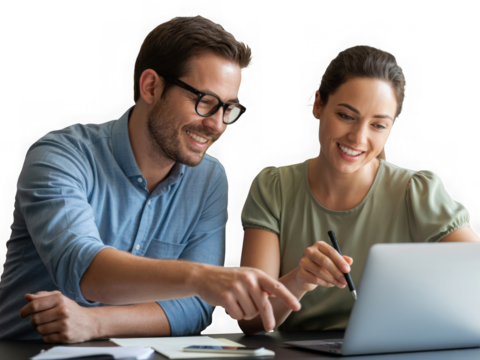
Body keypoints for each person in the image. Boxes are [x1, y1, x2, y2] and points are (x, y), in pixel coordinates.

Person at [0, 15, 300, 343]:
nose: (217, 125)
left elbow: (195, 308)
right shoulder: (60, 154)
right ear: (151, 87)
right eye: (205, 103)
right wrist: (202, 277)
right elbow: (82, 268)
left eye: (228, 108)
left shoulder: (210, 178)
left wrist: (95, 323)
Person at [237, 44, 480, 335]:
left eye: (378, 125)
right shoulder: (274, 187)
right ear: (317, 104)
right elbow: (251, 319)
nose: (358, 137)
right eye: (346, 116)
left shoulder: (416, 191)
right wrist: (300, 280)